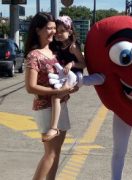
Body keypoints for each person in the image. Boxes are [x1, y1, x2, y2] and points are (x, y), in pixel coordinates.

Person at [24, 12, 77, 179]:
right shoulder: (34, 55)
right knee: (50, 154)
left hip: (61, 106)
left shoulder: (55, 51)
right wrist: (57, 92)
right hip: (45, 108)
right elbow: (31, 87)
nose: (54, 31)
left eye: (55, 28)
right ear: (38, 30)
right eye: (49, 28)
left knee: (56, 153)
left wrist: (70, 87)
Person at [43, 15, 104, 142]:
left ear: (70, 31)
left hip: (74, 75)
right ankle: (99, 78)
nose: (58, 34)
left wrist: (72, 64)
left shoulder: (73, 46)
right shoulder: (58, 45)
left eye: (62, 31)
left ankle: (54, 128)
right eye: (57, 31)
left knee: (56, 97)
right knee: (61, 95)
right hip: (66, 76)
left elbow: (83, 63)